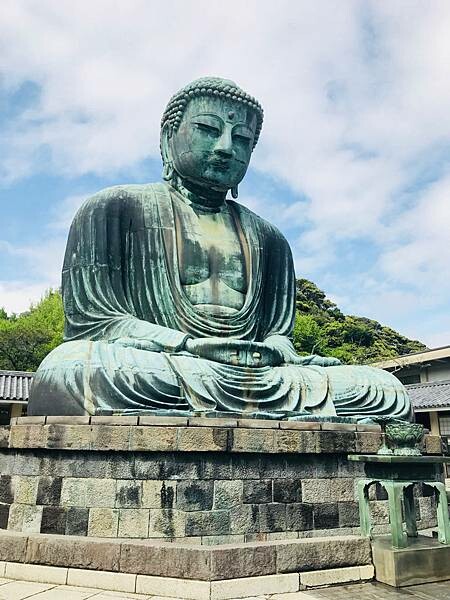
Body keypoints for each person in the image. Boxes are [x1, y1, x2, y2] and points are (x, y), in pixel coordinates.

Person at [28, 77, 411, 420]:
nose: (226, 147)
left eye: (241, 139)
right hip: (164, 363)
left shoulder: (270, 239)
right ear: (168, 137)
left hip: (256, 374)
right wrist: (187, 344)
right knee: (70, 370)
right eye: (209, 129)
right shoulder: (114, 209)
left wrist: (275, 350)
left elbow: (277, 333)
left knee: (383, 390)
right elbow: (96, 322)